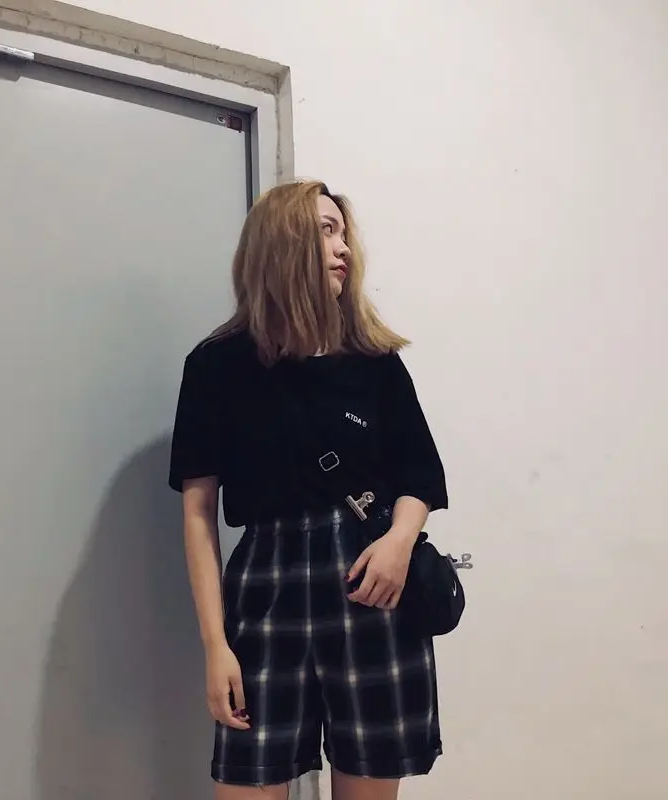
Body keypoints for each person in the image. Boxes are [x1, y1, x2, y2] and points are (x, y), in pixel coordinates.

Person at [168, 180, 448, 800]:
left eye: (344, 233)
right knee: (247, 780)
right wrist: (216, 645)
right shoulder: (216, 366)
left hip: (371, 587)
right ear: (282, 241)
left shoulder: (374, 361)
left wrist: (400, 542)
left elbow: (421, 476)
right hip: (268, 590)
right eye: (326, 230)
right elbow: (198, 514)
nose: (343, 247)